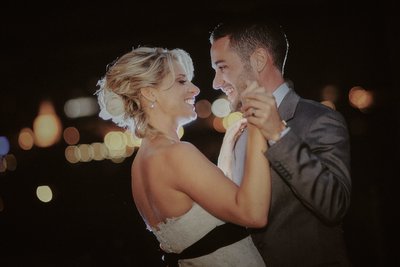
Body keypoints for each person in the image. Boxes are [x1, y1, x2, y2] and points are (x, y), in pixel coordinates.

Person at [95, 46, 271, 266]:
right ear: (149, 92)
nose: (195, 89)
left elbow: (202, 219)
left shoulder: (142, 163)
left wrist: (226, 152)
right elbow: (253, 214)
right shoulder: (176, 154)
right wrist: (258, 126)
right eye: (181, 81)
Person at [209, 19, 352, 266]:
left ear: (259, 60)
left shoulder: (318, 119)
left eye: (222, 67)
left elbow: (334, 204)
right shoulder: (239, 131)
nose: (216, 82)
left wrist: (278, 133)